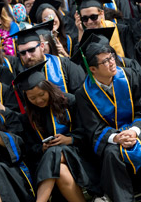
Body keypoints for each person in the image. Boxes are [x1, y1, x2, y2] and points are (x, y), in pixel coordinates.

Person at [74, 31, 141, 201]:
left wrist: (134, 131)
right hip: (112, 139)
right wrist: (116, 138)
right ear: (92, 69)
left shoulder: (130, 75)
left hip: (138, 128)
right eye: (105, 61)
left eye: (111, 57)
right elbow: (93, 128)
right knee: (111, 154)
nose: (112, 63)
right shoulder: (84, 94)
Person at [15, 62, 93, 202]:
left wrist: (69, 139)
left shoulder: (69, 101)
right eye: (32, 98)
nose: (38, 100)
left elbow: (87, 131)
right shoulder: (27, 118)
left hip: (78, 156)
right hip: (53, 168)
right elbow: (29, 148)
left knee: (54, 152)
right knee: (60, 169)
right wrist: (42, 147)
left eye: (41, 94)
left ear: (48, 88)